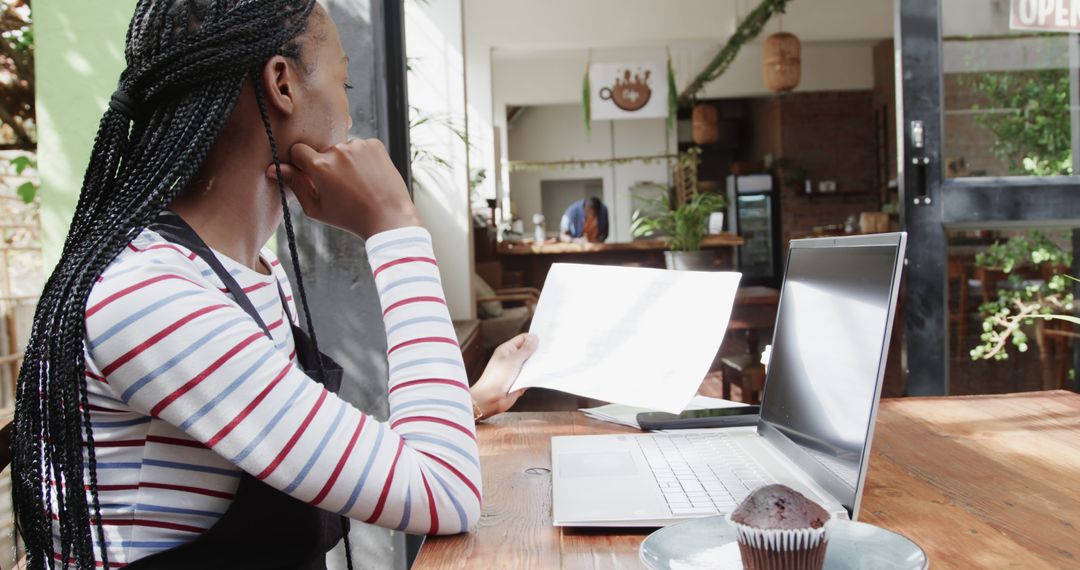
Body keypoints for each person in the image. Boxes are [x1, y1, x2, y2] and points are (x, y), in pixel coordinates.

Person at [11, 1, 535, 568]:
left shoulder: (247, 272)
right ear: (282, 84)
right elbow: (445, 493)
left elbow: (303, 443)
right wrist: (396, 228)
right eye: (344, 81)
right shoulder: (153, 296)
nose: (350, 115)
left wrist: (466, 405)